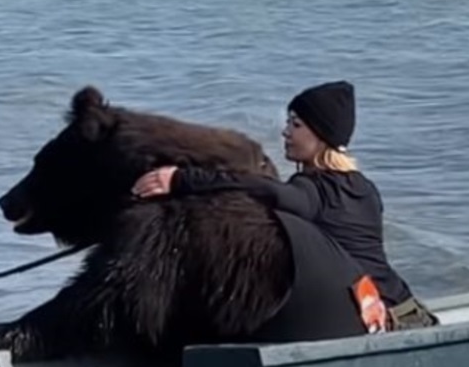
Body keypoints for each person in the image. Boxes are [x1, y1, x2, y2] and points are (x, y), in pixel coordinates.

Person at [132, 80, 437, 331]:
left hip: (383, 322)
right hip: (412, 311)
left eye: (296, 124)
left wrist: (182, 180)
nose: (285, 132)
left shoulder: (311, 191)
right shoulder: (365, 189)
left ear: (321, 135)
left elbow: (265, 190)